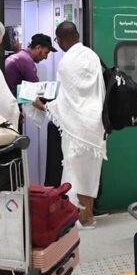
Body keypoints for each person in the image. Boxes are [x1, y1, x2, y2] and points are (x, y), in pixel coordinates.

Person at [33, 21, 105, 229]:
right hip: (95, 125)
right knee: (90, 173)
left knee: (74, 172)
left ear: (62, 40)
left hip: (76, 130)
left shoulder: (66, 63)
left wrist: (43, 106)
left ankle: (77, 219)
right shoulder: (91, 55)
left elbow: (67, 102)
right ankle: (88, 217)